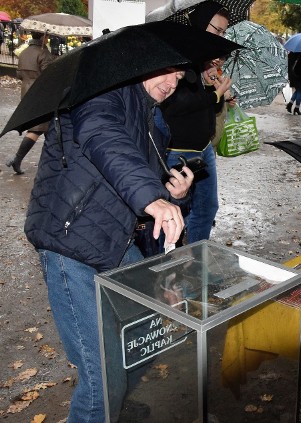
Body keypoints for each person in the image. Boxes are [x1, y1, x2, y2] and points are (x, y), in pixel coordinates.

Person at [24, 66, 194, 422]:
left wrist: (173, 195)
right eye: (167, 73)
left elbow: (131, 184)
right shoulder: (100, 93)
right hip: (71, 243)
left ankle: (114, 403)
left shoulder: (150, 117)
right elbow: (104, 139)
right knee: (101, 375)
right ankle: (103, 403)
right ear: (143, 64)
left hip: (115, 241)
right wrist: (153, 197)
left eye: (179, 79)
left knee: (146, 334)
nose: (171, 84)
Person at [159, 1, 233, 244]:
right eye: (217, 30)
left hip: (204, 149)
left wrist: (217, 92)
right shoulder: (178, 55)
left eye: (224, 32)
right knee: (172, 213)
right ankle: (166, 264)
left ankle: (195, 258)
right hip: (177, 151)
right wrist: (214, 94)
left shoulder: (205, 60)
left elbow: (205, 106)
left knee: (206, 209)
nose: (221, 37)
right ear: (201, 23)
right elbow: (174, 105)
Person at [6, 31, 55, 174]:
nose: (48, 39)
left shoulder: (25, 52)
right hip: (41, 94)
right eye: (47, 37)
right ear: (42, 37)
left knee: (48, 128)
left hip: (26, 93)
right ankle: (17, 159)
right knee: (38, 128)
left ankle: (53, 161)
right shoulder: (43, 53)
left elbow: (19, 74)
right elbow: (49, 75)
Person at [285, 51, 301, 115]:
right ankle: (296, 108)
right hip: (300, 76)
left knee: (298, 90)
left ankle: (290, 105)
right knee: (300, 91)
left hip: (293, 75)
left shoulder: (292, 53)